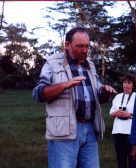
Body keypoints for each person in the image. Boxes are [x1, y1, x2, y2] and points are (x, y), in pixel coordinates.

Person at [32, 27, 117, 168]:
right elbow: (38, 94)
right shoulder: (52, 63)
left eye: (87, 46)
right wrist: (64, 85)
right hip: (64, 132)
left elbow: (98, 97)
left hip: (90, 130)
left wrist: (105, 92)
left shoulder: (90, 65)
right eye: (80, 46)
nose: (84, 50)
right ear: (67, 45)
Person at [109, 74, 136, 168]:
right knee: (121, 160)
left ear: (133, 85)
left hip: (130, 133)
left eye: (129, 83)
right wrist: (117, 113)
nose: (126, 85)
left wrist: (129, 115)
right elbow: (111, 113)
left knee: (132, 160)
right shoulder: (117, 97)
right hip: (117, 132)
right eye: (124, 82)